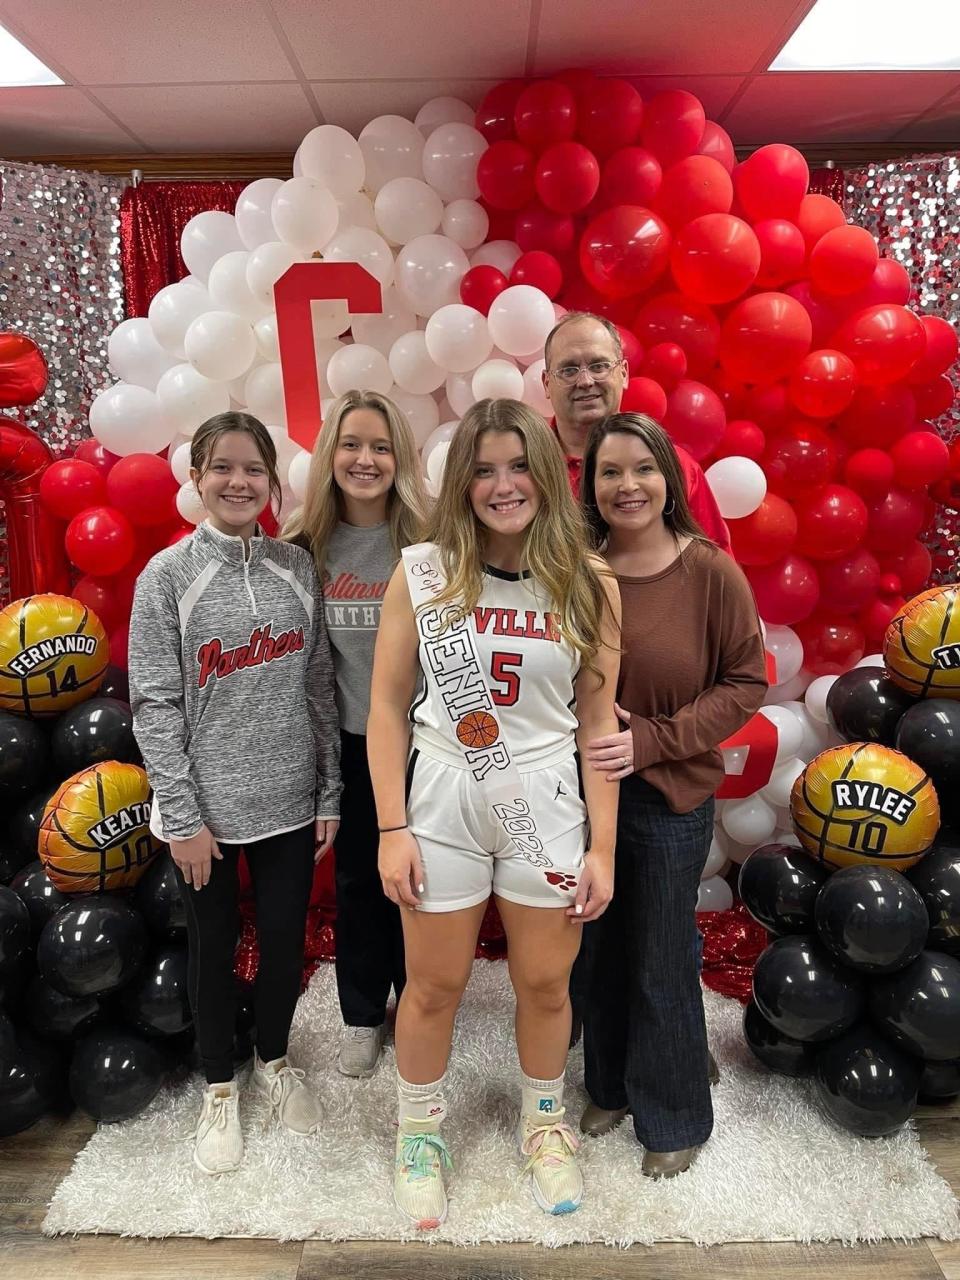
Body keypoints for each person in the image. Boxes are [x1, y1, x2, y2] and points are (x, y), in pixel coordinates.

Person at [368, 399, 621, 1227]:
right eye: (483, 469)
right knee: (435, 984)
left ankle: (544, 1127)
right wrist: (392, 826)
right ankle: (420, 1137)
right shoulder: (426, 570)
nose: (502, 484)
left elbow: (596, 728)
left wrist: (604, 851)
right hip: (442, 791)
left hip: (545, 800)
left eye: (518, 466)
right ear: (462, 483)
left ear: (545, 474)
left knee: (545, 982)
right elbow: (385, 705)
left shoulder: (591, 581)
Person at [129, 411, 340, 1177]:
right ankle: (221, 1084)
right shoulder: (168, 577)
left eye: (254, 468)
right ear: (197, 478)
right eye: (222, 467)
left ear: (273, 483)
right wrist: (181, 818)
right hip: (202, 820)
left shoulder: (296, 568)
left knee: (286, 946)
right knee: (212, 952)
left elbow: (319, 687)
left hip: (289, 804)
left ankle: (276, 1059)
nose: (239, 481)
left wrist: (330, 790)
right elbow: (154, 704)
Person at [577, 412, 767, 1178]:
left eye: (641, 469)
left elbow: (746, 682)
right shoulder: (576, 566)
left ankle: (676, 1113)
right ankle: (612, 1084)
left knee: (659, 956)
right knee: (595, 954)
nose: (627, 485)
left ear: (669, 479)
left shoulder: (708, 570)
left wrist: (653, 738)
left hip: (668, 797)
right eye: (609, 472)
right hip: (582, 798)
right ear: (590, 487)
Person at [283, 390, 428, 1078]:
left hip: (427, 745)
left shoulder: (430, 543)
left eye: (380, 446)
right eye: (351, 445)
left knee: (424, 883)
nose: (365, 460)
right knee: (360, 885)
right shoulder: (301, 548)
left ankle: (421, 1004)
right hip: (350, 745)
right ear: (329, 456)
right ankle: (363, 1014)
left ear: (399, 457)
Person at [540, 311, 731, 551]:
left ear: (624, 373)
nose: (586, 381)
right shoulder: (523, 467)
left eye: (599, 366)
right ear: (547, 384)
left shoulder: (673, 465)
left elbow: (715, 571)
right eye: (568, 370)